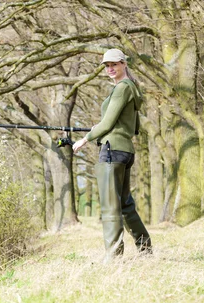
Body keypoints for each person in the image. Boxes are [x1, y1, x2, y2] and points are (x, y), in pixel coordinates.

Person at [72, 48, 152, 263]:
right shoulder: (133, 89)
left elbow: (107, 123)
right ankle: (145, 249)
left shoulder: (121, 88)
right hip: (126, 150)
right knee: (125, 205)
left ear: (124, 64)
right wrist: (102, 127)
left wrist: (85, 138)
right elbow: (132, 127)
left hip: (111, 151)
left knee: (110, 206)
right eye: (107, 66)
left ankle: (114, 258)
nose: (110, 69)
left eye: (114, 64)